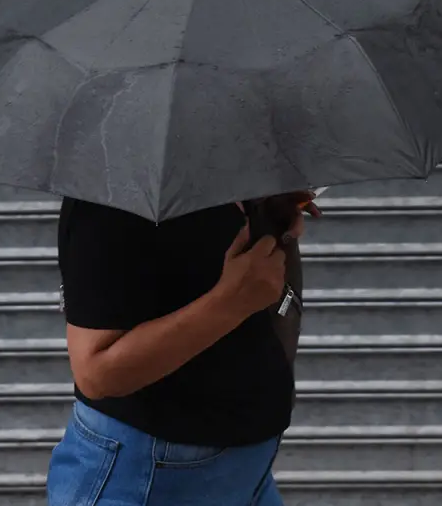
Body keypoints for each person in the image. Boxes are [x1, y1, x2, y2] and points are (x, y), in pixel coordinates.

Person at [47, 192, 319, 506]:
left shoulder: (219, 167)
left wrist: (269, 213)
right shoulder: (113, 198)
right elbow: (96, 372)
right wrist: (231, 303)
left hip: (244, 476)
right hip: (151, 483)